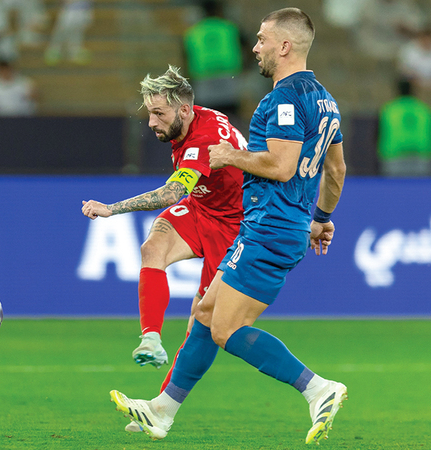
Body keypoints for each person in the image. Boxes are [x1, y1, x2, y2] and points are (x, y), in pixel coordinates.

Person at [109, 8, 349, 445]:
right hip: (281, 225)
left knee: (225, 330)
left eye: (262, 39)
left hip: (270, 226)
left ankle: (317, 389)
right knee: (205, 313)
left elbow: (281, 166)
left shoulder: (283, 101)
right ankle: (162, 411)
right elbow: (336, 170)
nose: (254, 47)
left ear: (284, 46)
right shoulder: (325, 100)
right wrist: (321, 218)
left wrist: (229, 156)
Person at [81, 65, 247, 429]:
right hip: (204, 208)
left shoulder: (202, 139)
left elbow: (172, 193)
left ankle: (161, 410)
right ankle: (151, 339)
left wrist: (112, 208)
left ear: (184, 110)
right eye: (149, 113)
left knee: (202, 325)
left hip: (234, 227)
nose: (152, 122)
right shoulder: (192, 119)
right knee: (152, 247)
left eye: (159, 113)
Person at [182, 0, 244, 121]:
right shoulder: (229, 28)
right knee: (231, 117)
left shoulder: (193, 32)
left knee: (207, 118)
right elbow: (246, 48)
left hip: (203, 79)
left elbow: (186, 57)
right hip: (228, 76)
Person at [377, 78, 431, 177]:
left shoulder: (389, 109)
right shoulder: (424, 109)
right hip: (420, 156)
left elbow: (378, 133)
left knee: (395, 186)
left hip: (394, 156)